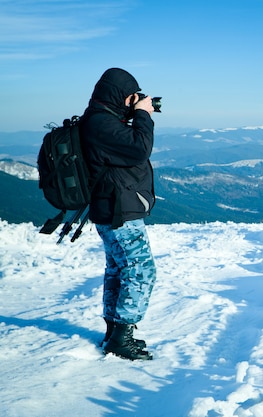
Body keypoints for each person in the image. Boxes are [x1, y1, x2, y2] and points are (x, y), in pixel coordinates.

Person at [80, 68, 157, 361]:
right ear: (119, 95)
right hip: (118, 212)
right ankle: (121, 337)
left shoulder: (99, 121)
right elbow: (140, 149)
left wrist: (136, 114)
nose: (133, 101)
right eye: (131, 97)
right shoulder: (100, 124)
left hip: (110, 209)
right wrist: (143, 115)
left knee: (119, 270)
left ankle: (114, 331)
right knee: (140, 270)